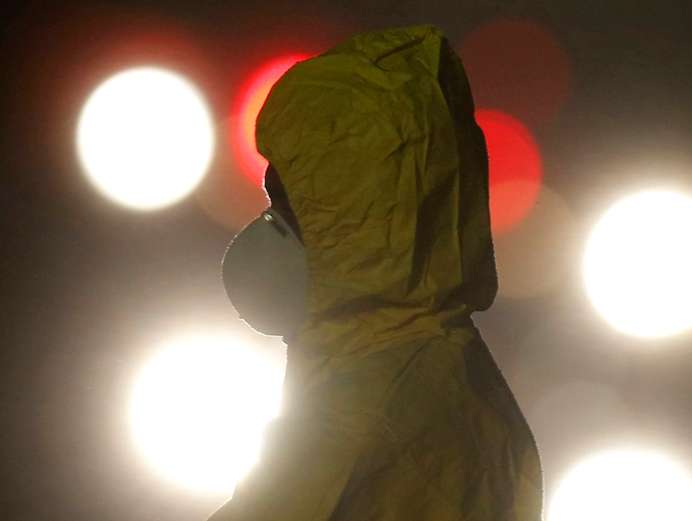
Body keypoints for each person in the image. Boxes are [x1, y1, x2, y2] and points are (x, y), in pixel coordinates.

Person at [209, 24, 543, 521]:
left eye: (291, 209)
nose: (270, 227)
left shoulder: (354, 420)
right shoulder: (452, 376)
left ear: (356, 231)